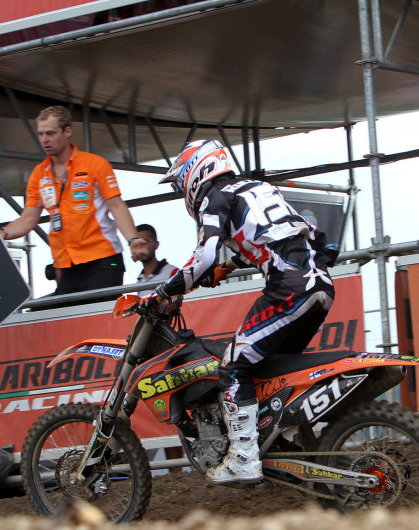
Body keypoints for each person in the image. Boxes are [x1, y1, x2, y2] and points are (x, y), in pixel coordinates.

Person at [141, 140, 338, 484]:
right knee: (273, 374)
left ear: (195, 173)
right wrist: (229, 266)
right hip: (320, 284)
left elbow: (203, 257)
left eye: (181, 184)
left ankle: (244, 459)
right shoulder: (259, 187)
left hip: (288, 288)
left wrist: (163, 293)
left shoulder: (214, 197)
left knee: (233, 366)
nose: (182, 192)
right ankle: (290, 450)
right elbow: (298, 238)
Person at [0, 105, 145, 296]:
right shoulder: (39, 174)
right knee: (53, 312)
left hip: (102, 260)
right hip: (66, 266)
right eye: (41, 134)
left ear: (67, 131)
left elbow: (116, 206)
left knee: (97, 314)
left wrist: (132, 239)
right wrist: (2, 233)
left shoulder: (95, 164)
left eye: (50, 133)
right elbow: (27, 219)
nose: (44, 139)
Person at [133, 223, 178, 295]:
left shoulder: (173, 272)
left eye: (145, 242)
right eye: (137, 243)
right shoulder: (139, 280)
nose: (141, 246)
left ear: (156, 245)